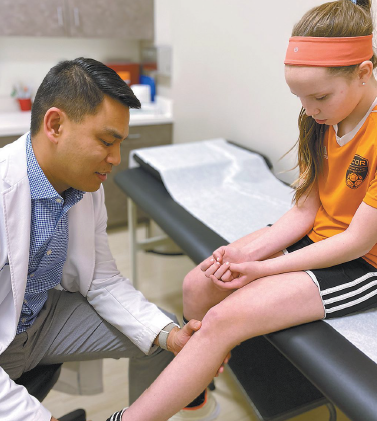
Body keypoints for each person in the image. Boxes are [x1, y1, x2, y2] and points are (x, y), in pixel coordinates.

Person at [105, 0, 377, 420]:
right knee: (198, 285)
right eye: (300, 98)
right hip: (320, 237)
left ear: (363, 72)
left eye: (319, 96)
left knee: (224, 319)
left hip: (361, 261)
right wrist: (245, 255)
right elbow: (305, 213)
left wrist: (264, 270)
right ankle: (197, 400)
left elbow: (357, 241)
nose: (308, 110)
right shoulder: (319, 119)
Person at [0, 57, 217, 421]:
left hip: (38, 322)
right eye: (106, 141)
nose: (116, 159)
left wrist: (170, 336)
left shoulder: (86, 187)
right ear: (55, 124)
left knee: (161, 340)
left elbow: (102, 279)